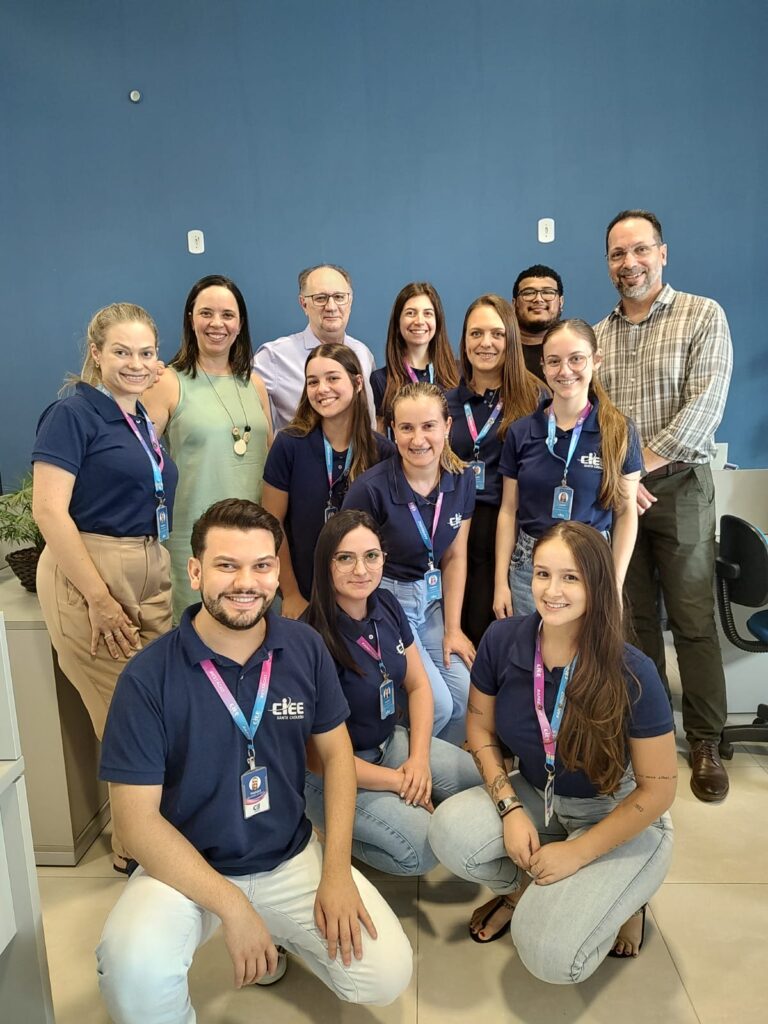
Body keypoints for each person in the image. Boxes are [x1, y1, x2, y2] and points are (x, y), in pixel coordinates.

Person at [96, 499, 412, 1023]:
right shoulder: (148, 677)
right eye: (227, 565)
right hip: (185, 869)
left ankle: (277, 934)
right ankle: (233, 923)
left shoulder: (304, 646)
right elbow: (135, 823)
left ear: (276, 572)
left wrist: (337, 870)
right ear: (196, 571)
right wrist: (232, 906)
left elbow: (337, 757)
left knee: (386, 974)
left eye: (262, 566)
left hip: (288, 855)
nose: (246, 583)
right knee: (133, 974)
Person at [428, 521, 676, 981]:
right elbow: (480, 728)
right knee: (448, 834)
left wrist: (579, 852)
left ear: (597, 584)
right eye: (542, 574)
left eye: (570, 577)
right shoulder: (503, 640)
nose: (551, 590)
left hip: (614, 810)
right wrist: (509, 808)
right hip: (535, 792)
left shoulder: (633, 670)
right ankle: (524, 890)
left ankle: (627, 898)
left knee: (550, 956)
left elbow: (658, 790)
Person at [32, 302, 178, 873]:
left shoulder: (138, 417)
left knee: (157, 707)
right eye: (121, 352)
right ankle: (132, 850)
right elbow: (49, 510)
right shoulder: (72, 414)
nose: (135, 363)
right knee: (125, 718)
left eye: (146, 353)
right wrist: (98, 597)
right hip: (93, 571)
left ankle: (149, 833)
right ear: (96, 354)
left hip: (148, 564)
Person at [594, 209, 734, 802]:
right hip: (620, 494)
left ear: (662, 253)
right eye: (617, 254)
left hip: (678, 484)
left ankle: (704, 741)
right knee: (633, 620)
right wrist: (621, 479)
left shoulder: (702, 315)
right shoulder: (597, 337)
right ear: (608, 264)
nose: (629, 263)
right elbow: (595, 416)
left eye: (640, 250)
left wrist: (637, 470)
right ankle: (650, 732)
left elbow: (705, 405)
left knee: (693, 620)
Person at [304, 510, 480, 875]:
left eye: (371, 556)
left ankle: (390, 811)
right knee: (421, 849)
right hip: (335, 771)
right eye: (345, 558)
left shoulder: (386, 604)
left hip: (389, 743)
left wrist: (418, 760)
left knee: (475, 783)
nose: (361, 570)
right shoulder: (310, 639)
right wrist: (399, 782)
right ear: (325, 563)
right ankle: (326, 831)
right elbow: (318, 759)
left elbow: (418, 686)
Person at [343, 382, 475, 746]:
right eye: (406, 428)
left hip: (432, 603)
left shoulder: (463, 479)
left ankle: (435, 769)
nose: (418, 439)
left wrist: (453, 628)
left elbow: (455, 555)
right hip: (386, 603)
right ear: (392, 430)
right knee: (438, 706)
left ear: (447, 426)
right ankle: (407, 766)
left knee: (466, 698)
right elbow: (345, 565)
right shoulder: (370, 490)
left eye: (428, 426)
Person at [142, 274, 272, 623]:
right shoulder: (167, 382)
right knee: (198, 634)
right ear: (190, 319)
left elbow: (271, 461)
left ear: (240, 324)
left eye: (228, 315)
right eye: (206, 313)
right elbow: (138, 460)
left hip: (254, 541)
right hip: (193, 539)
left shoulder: (255, 384)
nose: (217, 323)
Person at [494, 318, 641, 618]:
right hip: (531, 566)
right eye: (554, 361)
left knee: (585, 647)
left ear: (596, 360)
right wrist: (500, 583)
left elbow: (626, 513)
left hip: (592, 564)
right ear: (543, 367)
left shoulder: (619, 431)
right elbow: (508, 511)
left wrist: (615, 583)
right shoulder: (521, 432)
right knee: (531, 644)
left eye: (576, 359)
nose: (565, 371)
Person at [261, 343, 393, 619]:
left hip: (361, 598)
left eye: (332, 378)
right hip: (302, 595)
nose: (322, 389)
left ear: (358, 383)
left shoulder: (382, 452)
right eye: (313, 382)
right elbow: (272, 523)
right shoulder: (289, 444)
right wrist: (291, 593)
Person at [446, 294, 543, 646]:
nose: (485, 343)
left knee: (500, 630)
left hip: (508, 527)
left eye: (497, 334)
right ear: (464, 341)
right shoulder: (445, 402)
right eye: (476, 333)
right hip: (454, 527)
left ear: (511, 340)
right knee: (459, 628)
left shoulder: (536, 399)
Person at [254, 264, 376, 430]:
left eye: (339, 297)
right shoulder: (274, 356)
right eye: (320, 298)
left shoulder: (363, 353)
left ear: (350, 301)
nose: (331, 307)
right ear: (303, 304)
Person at [370, 282, 459, 434]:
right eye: (410, 313)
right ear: (398, 322)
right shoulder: (381, 380)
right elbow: (380, 440)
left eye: (427, 313)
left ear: (437, 321)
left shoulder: (458, 373)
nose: (419, 321)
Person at [512, 265, 565, 381]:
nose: (538, 299)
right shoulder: (501, 351)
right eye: (528, 293)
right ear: (514, 304)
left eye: (548, 292)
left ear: (561, 302)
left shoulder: (574, 349)